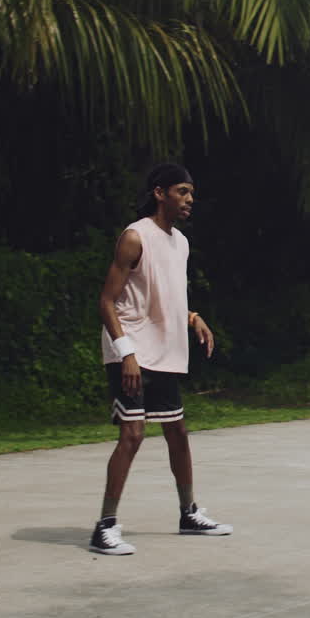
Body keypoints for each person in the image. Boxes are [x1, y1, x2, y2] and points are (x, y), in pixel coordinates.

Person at [89, 163, 232, 556]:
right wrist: (126, 354)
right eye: (182, 192)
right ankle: (104, 526)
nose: (189, 200)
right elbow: (106, 302)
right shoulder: (135, 237)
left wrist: (192, 317)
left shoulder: (180, 242)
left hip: (165, 353)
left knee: (177, 432)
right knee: (132, 435)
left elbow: (164, 294)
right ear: (159, 192)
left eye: (191, 193)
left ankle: (188, 513)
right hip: (131, 351)